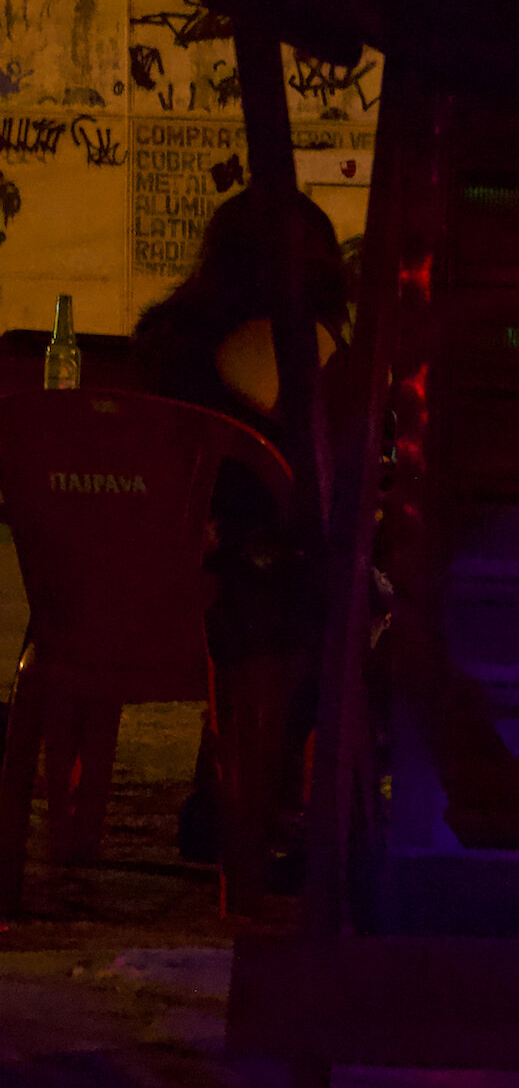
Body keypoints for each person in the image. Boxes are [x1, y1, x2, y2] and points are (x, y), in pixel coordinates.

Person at [131, 187, 349, 874]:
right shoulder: (298, 349)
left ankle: (229, 794)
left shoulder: (161, 341)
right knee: (348, 600)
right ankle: (289, 808)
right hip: (235, 607)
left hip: (134, 590)